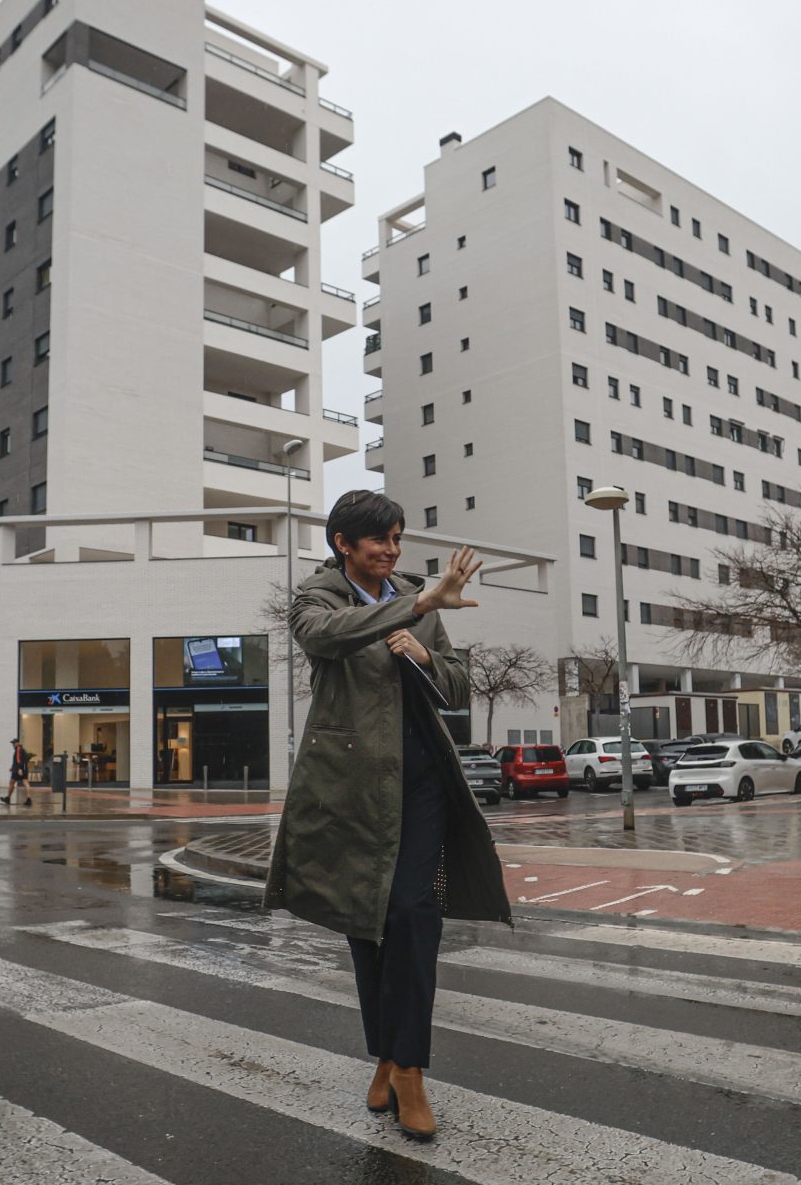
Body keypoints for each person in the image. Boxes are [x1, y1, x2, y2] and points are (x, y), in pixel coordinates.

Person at [263, 489, 510, 1142]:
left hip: (421, 774)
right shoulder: (317, 597)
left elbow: (456, 683)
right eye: (380, 540)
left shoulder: (411, 595)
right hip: (349, 784)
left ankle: (410, 1070)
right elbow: (326, 637)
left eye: (398, 539)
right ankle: (387, 1055)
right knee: (367, 922)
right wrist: (419, 605)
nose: (392, 551)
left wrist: (426, 652)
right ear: (343, 543)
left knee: (411, 913)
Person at [0, 737, 32, 806]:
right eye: (12, 743)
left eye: (14, 743)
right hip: (24, 768)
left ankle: (8, 798)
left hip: (18, 769)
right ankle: (29, 799)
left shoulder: (18, 749)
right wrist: (13, 767)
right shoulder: (23, 750)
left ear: (18, 743)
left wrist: (19, 769)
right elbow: (23, 760)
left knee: (11, 782)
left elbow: (18, 759)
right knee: (25, 782)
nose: (13, 744)